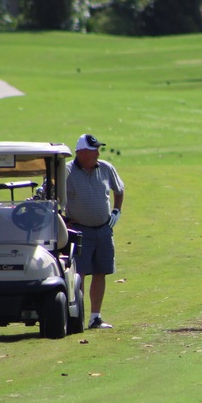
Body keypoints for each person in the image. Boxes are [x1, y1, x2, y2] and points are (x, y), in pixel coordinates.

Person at [66, 133, 125, 329]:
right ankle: (77, 318)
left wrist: (116, 211)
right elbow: (50, 196)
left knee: (101, 272)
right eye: (94, 150)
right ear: (81, 153)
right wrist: (63, 220)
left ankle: (95, 317)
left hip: (103, 230)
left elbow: (119, 189)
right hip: (78, 231)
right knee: (79, 274)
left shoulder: (106, 168)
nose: (98, 153)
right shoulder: (66, 171)